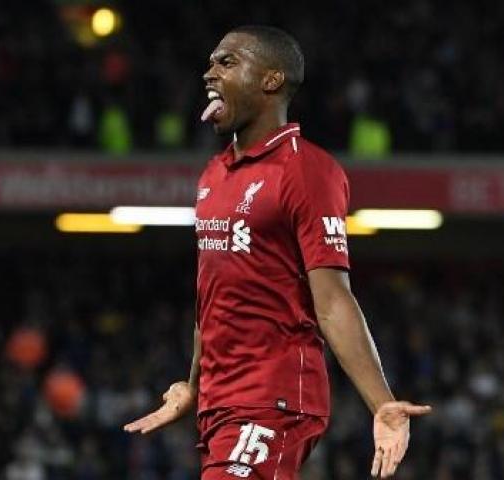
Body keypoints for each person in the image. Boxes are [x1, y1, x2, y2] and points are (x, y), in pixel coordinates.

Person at [124, 25, 431, 479]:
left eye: (226, 62)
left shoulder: (307, 171)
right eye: (210, 62)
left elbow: (332, 301)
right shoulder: (214, 174)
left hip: (274, 398)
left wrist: (382, 403)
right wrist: (194, 386)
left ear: (271, 80)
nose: (209, 73)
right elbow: (215, 296)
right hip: (221, 402)